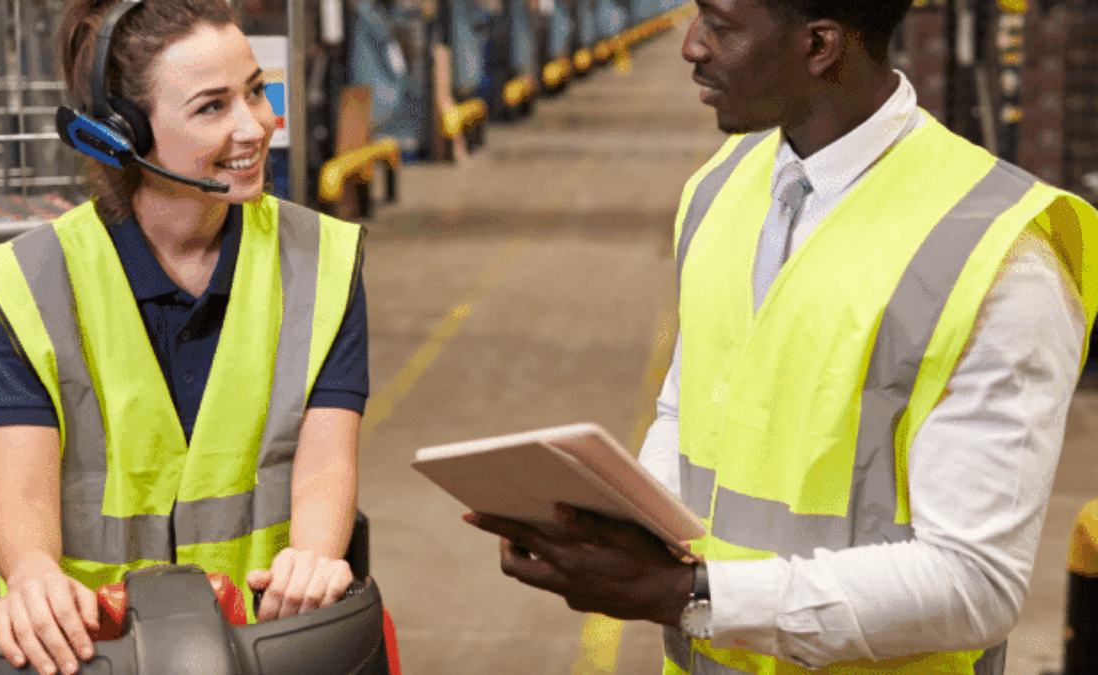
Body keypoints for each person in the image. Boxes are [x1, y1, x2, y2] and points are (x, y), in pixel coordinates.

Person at [464, 1, 1098, 673]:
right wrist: (624, 523)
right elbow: (689, 411)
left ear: (819, 45)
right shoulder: (722, 186)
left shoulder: (997, 256)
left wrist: (695, 595)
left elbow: (975, 585)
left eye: (720, 25)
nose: (690, 46)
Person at [0, 1, 369, 674]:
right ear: (119, 134)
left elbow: (324, 466)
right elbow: (22, 498)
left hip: (262, 641)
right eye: (212, 107)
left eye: (256, 91)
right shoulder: (31, 285)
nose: (256, 126)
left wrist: (315, 557)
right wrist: (33, 574)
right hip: (87, 651)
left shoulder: (320, 260)